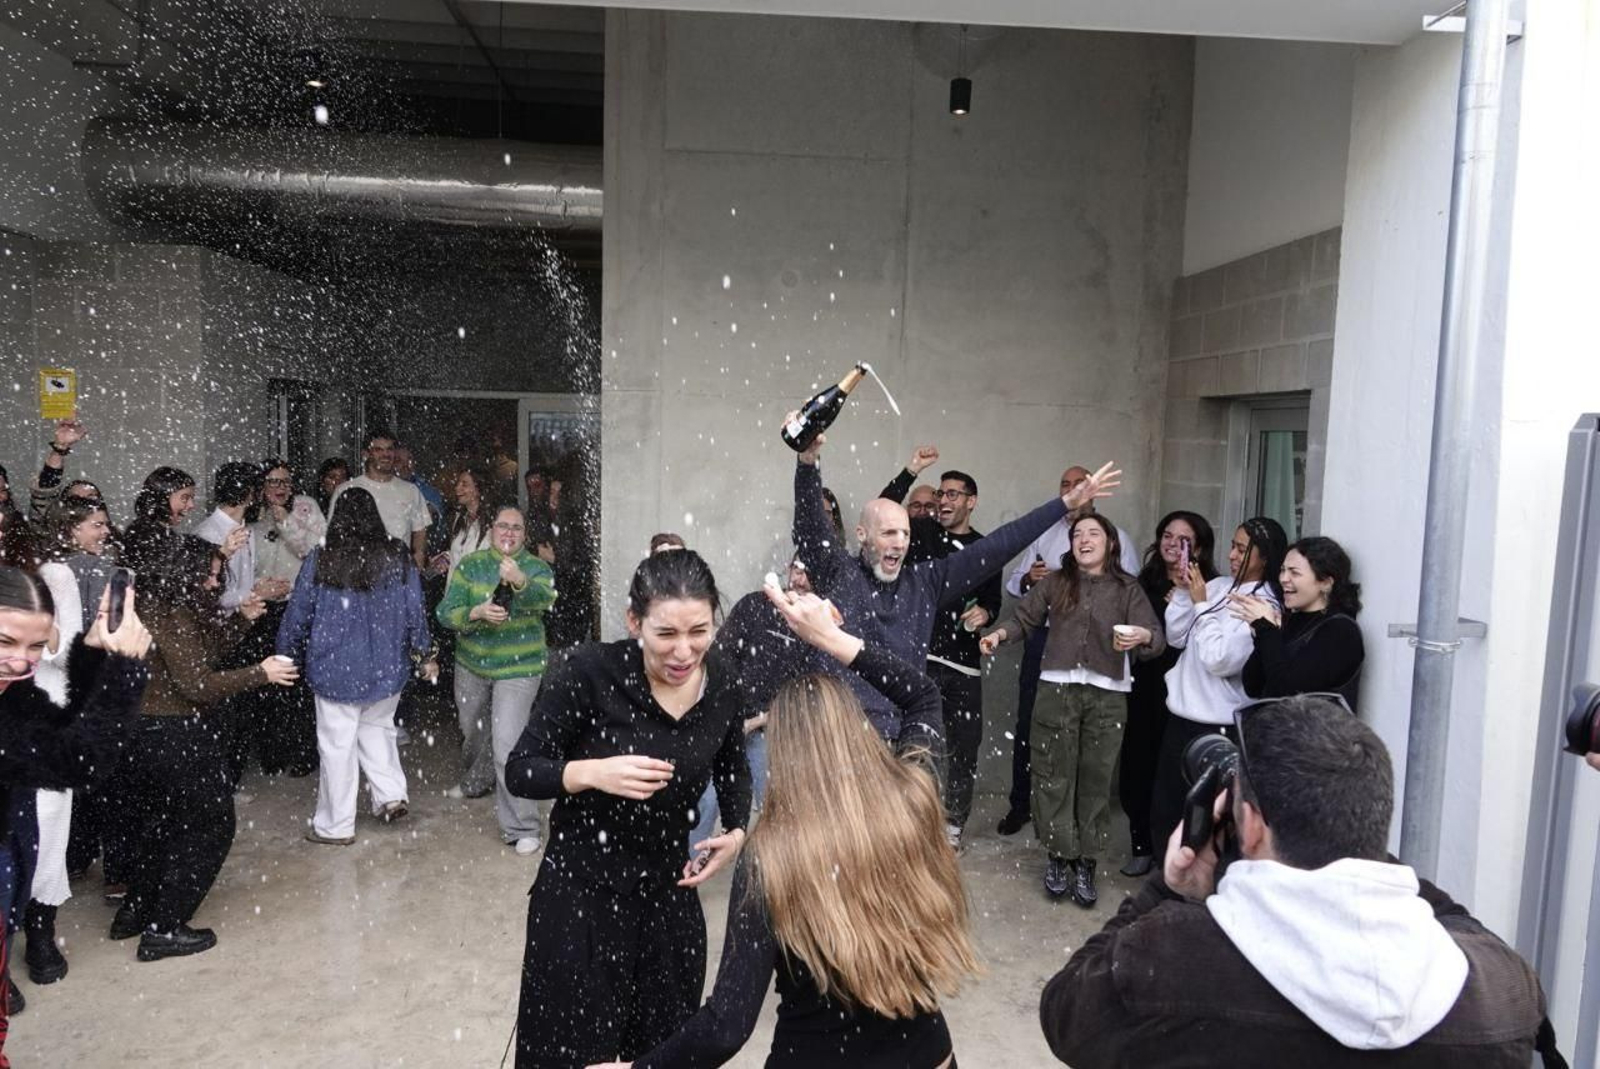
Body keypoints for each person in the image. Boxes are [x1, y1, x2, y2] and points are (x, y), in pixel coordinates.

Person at [1039, 694, 1560, 1067]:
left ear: (1252, 825)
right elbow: (1457, 922)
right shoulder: (1502, 993)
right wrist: (1359, 846)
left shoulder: (1165, 960)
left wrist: (1166, 888)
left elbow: (1065, 1016)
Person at [601, 586, 972, 1069]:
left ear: (785, 754)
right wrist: (835, 640)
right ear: (855, 730)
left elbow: (728, 1023)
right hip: (927, 1055)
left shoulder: (770, 857)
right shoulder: (912, 798)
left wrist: (639, 1068)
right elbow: (923, 694)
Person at [503, 549, 752, 1069]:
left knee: (663, 1052)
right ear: (634, 622)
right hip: (580, 895)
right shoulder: (591, 672)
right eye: (665, 634)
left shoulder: (724, 680)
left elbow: (731, 762)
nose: (684, 651)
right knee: (565, 1053)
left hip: (667, 895)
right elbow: (521, 769)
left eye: (699, 631)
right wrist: (592, 772)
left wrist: (735, 829)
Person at [793, 428, 1119, 751]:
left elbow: (997, 546)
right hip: (836, 734)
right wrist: (807, 461)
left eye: (905, 535)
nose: (899, 543)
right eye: (889, 533)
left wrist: (1063, 505)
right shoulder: (838, 571)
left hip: (897, 738)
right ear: (862, 535)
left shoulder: (925, 582)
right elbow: (810, 525)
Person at [116, 534, 297, 961]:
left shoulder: (145, 605)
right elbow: (198, 684)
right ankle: (164, 929)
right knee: (210, 827)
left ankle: (136, 913)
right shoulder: (172, 615)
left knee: (159, 824)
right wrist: (261, 673)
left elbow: (194, 658)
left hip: (140, 731)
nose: (216, 585)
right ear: (186, 575)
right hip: (173, 734)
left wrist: (242, 621)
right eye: (211, 576)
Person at [0, 566, 150, 1065]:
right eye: (5, 641)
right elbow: (76, 762)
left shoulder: (11, 691)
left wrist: (93, 655)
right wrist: (126, 669)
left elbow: (63, 732)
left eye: (35, 647)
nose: (21, 662)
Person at [980, 514, 1165, 905]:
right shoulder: (1056, 582)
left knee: (1095, 778)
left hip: (1108, 694)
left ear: (1111, 543)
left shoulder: (1128, 588)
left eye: (1093, 533)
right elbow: (1024, 618)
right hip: (1057, 690)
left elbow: (1156, 641)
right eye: (1077, 534)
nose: (1083, 539)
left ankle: (1086, 860)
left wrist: (1143, 636)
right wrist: (998, 634)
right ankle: (1058, 856)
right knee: (1052, 775)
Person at [277, 488, 436, 845]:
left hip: (336, 667)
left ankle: (336, 825)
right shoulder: (398, 556)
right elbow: (415, 611)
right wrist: (424, 653)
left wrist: (286, 654)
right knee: (378, 729)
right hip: (386, 666)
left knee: (337, 746)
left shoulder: (322, 558)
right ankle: (391, 795)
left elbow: (299, 613)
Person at [997, 465, 1143, 838]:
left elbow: (1130, 596)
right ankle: (1022, 805)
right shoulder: (1044, 532)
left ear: (1093, 492)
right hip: (1046, 641)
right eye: (1065, 484)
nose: (1072, 491)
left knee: (1086, 738)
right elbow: (1015, 585)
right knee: (1033, 723)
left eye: (1079, 485)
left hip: (1099, 647)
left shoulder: (1117, 538)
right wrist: (1030, 579)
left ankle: (1079, 825)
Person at [685, 556, 848, 856]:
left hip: (775, 730)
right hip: (727, 723)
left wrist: (760, 721)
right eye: (796, 569)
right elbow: (719, 661)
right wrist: (724, 716)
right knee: (704, 799)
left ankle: (785, 873)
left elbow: (809, 695)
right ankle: (684, 869)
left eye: (808, 574)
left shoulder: (822, 627)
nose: (799, 579)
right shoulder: (754, 606)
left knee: (778, 808)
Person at [880, 447, 1000, 850]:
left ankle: (951, 825)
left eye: (953, 494)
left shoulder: (985, 549)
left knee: (965, 748)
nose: (944, 501)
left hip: (964, 668)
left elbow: (993, 603)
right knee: (914, 746)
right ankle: (910, 822)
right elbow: (883, 508)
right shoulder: (922, 534)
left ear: (971, 501)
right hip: (920, 662)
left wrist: (985, 613)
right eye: (942, 494)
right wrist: (910, 470)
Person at [1148, 517, 1288, 857]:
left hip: (1217, 725)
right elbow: (1178, 637)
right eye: (1233, 546)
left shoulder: (1264, 605)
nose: (1232, 555)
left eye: (1243, 549)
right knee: (1166, 810)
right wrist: (1184, 593)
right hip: (1181, 716)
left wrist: (1199, 603)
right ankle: (1164, 886)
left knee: (1205, 819)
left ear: (1265, 557)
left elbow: (1220, 660)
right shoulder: (1220, 585)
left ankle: (1194, 895)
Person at [26, 497, 119, 984]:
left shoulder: (55, 575)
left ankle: (41, 930)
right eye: (96, 524)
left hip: (43, 711)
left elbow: (63, 652)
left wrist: (37, 637)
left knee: (48, 824)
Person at [436, 506, 557, 854]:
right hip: (472, 663)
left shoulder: (535, 567)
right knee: (472, 729)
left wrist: (520, 581)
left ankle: (522, 826)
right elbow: (445, 613)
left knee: (508, 742)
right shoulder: (471, 565)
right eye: (503, 526)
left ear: (524, 535)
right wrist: (475, 612)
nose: (509, 532)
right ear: (491, 530)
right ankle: (476, 781)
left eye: (516, 528)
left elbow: (545, 599)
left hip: (519, 667)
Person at [1118, 511, 1218, 878]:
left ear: (1200, 546)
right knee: (1136, 766)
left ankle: (1175, 853)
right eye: (1167, 535)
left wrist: (1192, 594)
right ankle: (1141, 843)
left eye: (1183, 538)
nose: (1172, 544)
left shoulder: (1211, 586)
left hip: (1191, 690)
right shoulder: (1144, 582)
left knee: (1176, 773)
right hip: (1145, 684)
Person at [247, 459, 326, 777]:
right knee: (265, 683)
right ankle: (272, 752)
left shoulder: (306, 507)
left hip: (299, 607)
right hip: (260, 607)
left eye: (285, 482)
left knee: (299, 684)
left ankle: (304, 752)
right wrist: (258, 589)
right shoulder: (251, 513)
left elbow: (317, 550)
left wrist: (284, 519)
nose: (279, 488)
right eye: (272, 482)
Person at [1237, 535, 1365, 709]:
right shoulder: (1292, 621)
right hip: (1276, 732)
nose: (1283, 578)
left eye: (1294, 572)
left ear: (1326, 583)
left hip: (1317, 734)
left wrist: (1266, 630)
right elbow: (1253, 686)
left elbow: (1288, 692)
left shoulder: (1340, 630)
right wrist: (1262, 632)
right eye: (1283, 570)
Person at [329, 431, 431, 570]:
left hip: (398, 574)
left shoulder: (411, 491)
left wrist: (419, 556)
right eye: (378, 450)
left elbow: (420, 530)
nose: (386, 454)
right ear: (366, 454)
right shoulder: (346, 490)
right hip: (357, 576)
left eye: (389, 449)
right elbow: (333, 535)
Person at [194, 461, 270, 613]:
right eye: (260, 491)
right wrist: (255, 593)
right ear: (250, 493)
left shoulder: (247, 529)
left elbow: (244, 580)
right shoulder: (206, 534)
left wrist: (266, 585)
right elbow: (210, 593)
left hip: (247, 621)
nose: (264, 498)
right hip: (219, 626)